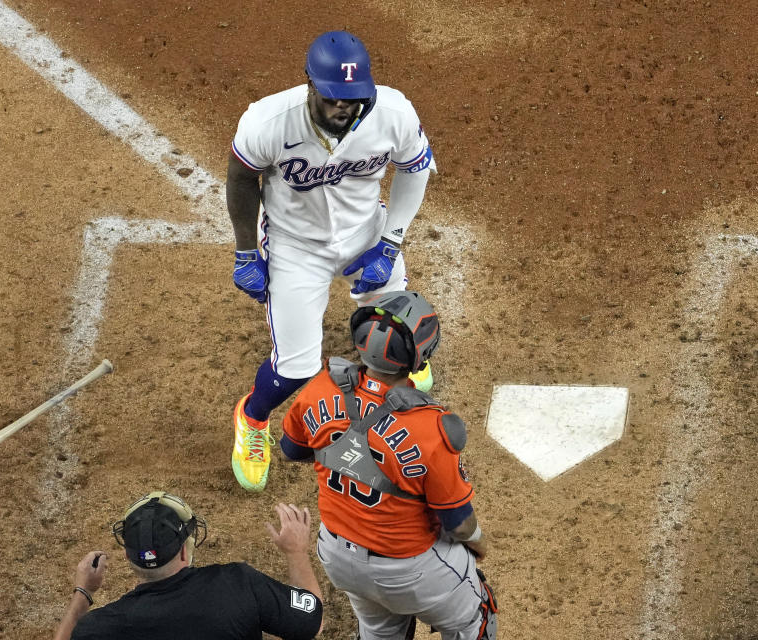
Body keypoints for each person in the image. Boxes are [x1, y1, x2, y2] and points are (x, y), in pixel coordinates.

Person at [228, 29, 438, 492]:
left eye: (353, 98)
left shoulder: (392, 113)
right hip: (294, 246)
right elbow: (241, 180)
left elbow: (416, 167)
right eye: (333, 98)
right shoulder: (269, 121)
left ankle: (401, 366)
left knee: (402, 321)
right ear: (310, 85)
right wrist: (246, 252)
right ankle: (252, 418)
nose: (344, 107)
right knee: (296, 369)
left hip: (365, 234)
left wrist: (389, 243)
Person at [280, 290, 498, 640]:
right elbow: (458, 522)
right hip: (410, 569)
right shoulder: (429, 427)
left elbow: (293, 449)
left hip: (337, 557)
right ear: (419, 356)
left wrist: (346, 460)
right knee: (477, 617)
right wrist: (480, 545)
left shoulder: (319, 389)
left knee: (379, 630)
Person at [52, 491, 323, 640]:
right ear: (184, 550)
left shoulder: (102, 627)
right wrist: (295, 551)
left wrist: (83, 593)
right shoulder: (238, 585)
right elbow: (313, 622)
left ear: (128, 557)